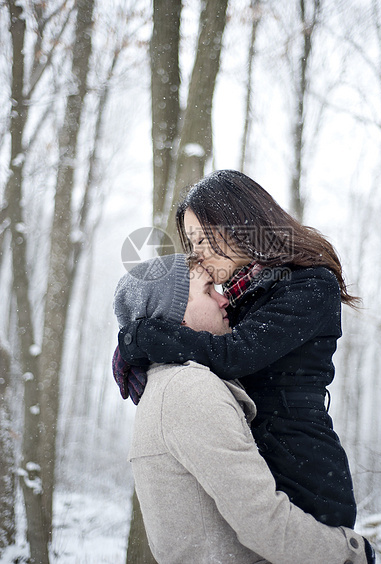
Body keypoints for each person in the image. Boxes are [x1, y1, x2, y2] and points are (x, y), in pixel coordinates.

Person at [115, 170, 359, 530]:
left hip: (303, 473)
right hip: (258, 464)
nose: (196, 255)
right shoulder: (242, 293)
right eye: (191, 243)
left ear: (239, 224)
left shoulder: (309, 284)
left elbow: (234, 355)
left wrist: (142, 337)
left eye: (202, 240)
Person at [113, 254, 375, 564]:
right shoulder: (190, 388)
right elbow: (264, 523)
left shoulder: (163, 386)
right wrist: (351, 550)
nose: (223, 300)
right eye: (209, 289)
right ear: (176, 315)